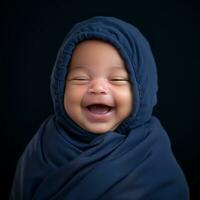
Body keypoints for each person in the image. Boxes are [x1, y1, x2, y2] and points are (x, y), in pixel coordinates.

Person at [10, 16, 190, 199]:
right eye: (80, 78)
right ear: (60, 87)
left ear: (143, 90)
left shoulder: (153, 157)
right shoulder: (42, 149)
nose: (98, 88)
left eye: (117, 79)